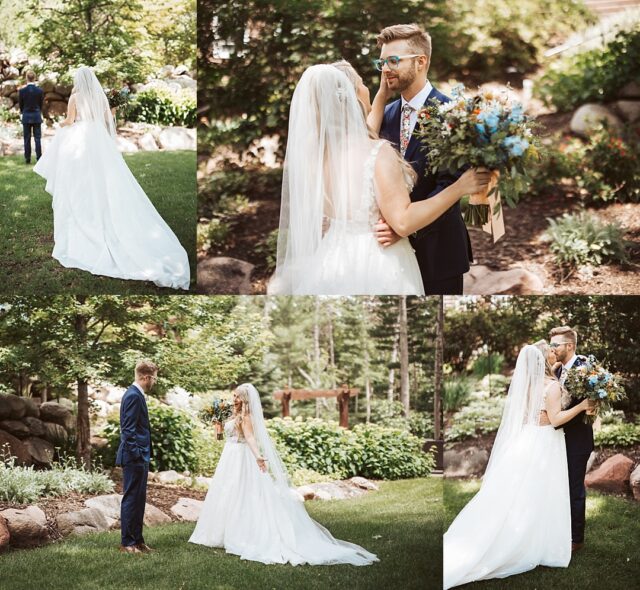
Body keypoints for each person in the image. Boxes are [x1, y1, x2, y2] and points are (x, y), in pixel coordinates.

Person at [267, 62, 489, 295]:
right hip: (380, 259)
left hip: (335, 258)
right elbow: (402, 222)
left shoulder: (317, 156)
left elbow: (364, 130)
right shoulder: (377, 152)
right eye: (362, 82)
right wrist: (460, 187)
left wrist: (382, 96)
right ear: (351, 95)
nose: (368, 86)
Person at [443, 341, 596, 588]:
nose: (553, 353)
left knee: (524, 493)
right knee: (543, 492)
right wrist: (581, 406)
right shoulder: (552, 386)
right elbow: (556, 420)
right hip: (546, 441)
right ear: (542, 361)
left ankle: (526, 535)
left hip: (528, 438)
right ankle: (536, 542)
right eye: (550, 352)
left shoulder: (528, 385)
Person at [33, 66, 190, 290]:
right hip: (98, 139)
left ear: (79, 80)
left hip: (81, 139)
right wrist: (114, 105)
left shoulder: (76, 97)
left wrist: (61, 125)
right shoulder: (100, 96)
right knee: (105, 177)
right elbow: (109, 118)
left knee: (81, 180)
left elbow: (70, 120)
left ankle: (85, 213)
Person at [189, 383, 378, 566]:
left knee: (242, 494)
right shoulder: (231, 414)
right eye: (234, 395)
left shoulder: (246, 417)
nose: (234, 398)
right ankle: (219, 533)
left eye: (238, 396)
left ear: (245, 399)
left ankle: (242, 533)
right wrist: (218, 426)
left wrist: (258, 457)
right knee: (226, 494)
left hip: (241, 458)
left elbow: (250, 438)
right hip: (228, 458)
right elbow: (222, 438)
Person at [116, 360, 157, 554]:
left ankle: (138, 540)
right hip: (134, 457)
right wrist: (138, 455)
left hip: (140, 457)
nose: (154, 382)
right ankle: (127, 543)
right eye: (154, 378)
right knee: (131, 499)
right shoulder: (133, 395)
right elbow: (128, 430)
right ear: (146, 377)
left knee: (139, 499)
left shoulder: (137, 395)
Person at [18, 70, 44, 165]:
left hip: (26, 116)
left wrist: (22, 112)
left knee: (27, 138)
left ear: (26, 78)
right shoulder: (40, 91)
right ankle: (39, 158)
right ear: (34, 78)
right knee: (37, 138)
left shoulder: (22, 91)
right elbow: (41, 105)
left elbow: (21, 105)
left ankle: (27, 159)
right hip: (36, 116)